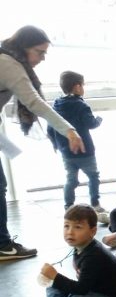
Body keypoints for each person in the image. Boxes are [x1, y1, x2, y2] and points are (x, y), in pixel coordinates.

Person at [0, 25, 84, 260]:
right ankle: (2, 245)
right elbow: (35, 102)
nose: (42, 58)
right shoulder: (9, 64)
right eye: (39, 52)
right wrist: (69, 130)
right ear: (23, 47)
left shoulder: (6, 57)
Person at [39, 205, 116, 297]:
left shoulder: (94, 255)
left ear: (93, 231)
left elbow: (81, 289)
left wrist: (56, 276)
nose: (70, 232)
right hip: (92, 290)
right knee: (52, 285)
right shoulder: (80, 246)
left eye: (78, 227)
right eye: (66, 226)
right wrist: (54, 279)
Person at [48, 70, 103, 212]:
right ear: (77, 87)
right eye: (83, 85)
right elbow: (91, 124)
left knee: (71, 180)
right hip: (85, 151)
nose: (83, 88)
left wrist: (55, 144)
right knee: (93, 176)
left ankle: (68, 205)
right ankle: (95, 204)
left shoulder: (56, 104)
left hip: (66, 152)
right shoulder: (81, 105)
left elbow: (50, 127)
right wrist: (99, 119)